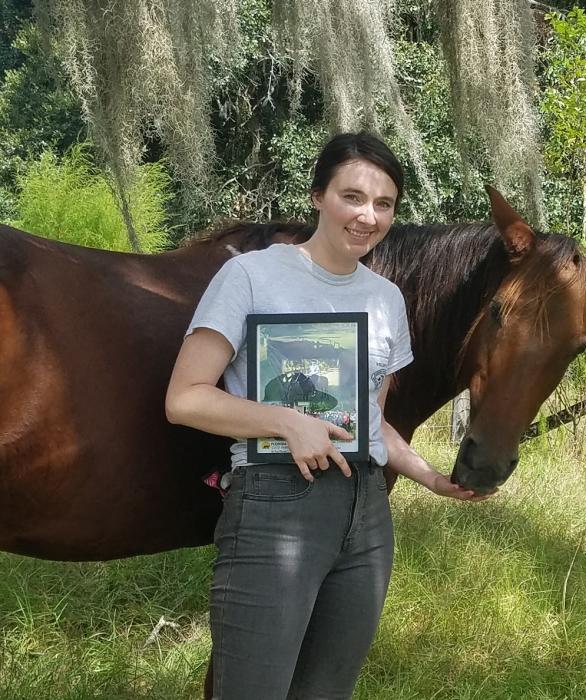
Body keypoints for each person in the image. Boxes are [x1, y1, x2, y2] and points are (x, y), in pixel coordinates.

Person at [165, 131, 485, 700]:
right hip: (274, 504)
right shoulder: (251, 276)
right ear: (318, 196)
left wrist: (429, 476)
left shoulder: (386, 300)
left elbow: (371, 421)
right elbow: (185, 398)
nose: (368, 216)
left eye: (383, 204)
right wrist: (286, 421)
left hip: (365, 515)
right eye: (352, 196)